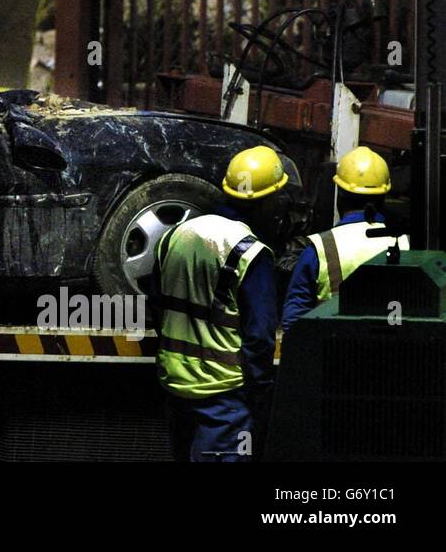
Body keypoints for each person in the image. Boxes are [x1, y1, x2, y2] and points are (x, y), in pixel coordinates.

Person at [154, 146, 287, 462]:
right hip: (224, 394)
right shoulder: (250, 252)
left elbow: (157, 304)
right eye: (277, 198)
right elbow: (259, 337)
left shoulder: (175, 234)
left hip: (174, 383)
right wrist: (261, 394)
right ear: (264, 202)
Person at [281, 147, 408, 331]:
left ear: (339, 195)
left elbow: (294, 322)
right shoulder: (407, 245)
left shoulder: (321, 248)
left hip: (334, 356)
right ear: (384, 196)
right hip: (392, 356)